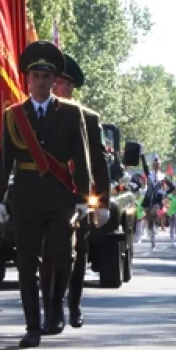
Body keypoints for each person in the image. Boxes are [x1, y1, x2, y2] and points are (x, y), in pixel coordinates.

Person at [0, 41, 92, 348]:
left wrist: (84, 198)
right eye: (35, 75)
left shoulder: (71, 114)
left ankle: (54, 308)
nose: (41, 81)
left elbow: (82, 157)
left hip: (61, 196)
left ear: (54, 80)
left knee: (63, 256)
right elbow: (4, 159)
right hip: (26, 196)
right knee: (26, 263)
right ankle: (32, 325)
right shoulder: (13, 115)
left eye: (47, 76)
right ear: (28, 79)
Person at [45, 53, 111, 330]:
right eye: (56, 81)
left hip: (79, 195)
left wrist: (102, 201)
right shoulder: (38, 111)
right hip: (48, 192)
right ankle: (51, 304)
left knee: (77, 251)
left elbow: (98, 162)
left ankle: (73, 303)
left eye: (63, 84)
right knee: (47, 252)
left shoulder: (88, 118)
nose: (58, 88)